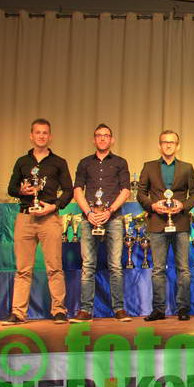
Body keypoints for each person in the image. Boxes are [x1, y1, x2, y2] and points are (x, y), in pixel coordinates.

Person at [2, 118, 73, 325]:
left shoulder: (59, 162)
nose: (41, 136)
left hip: (49, 218)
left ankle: (59, 310)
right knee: (23, 269)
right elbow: (11, 188)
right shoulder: (22, 162)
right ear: (31, 136)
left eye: (45, 133)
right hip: (26, 217)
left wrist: (55, 206)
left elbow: (68, 190)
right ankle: (18, 313)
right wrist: (21, 191)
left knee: (55, 267)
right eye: (38, 132)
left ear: (50, 137)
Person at [71, 123, 132, 323]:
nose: (103, 138)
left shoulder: (120, 162)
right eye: (99, 135)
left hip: (113, 219)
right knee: (88, 265)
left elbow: (126, 190)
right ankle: (85, 310)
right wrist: (89, 213)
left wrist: (109, 211)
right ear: (93, 139)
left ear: (112, 140)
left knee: (115, 265)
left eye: (106, 135)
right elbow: (77, 190)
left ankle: (119, 309)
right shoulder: (84, 163)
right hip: (89, 219)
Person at [137, 130, 194, 321]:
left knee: (183, 269)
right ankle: (158, 309)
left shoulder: (187, 167)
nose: (168, 145)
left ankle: (183, 308)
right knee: (158, 269)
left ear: (177, 146)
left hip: (180, 223)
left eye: (172, 142)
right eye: (165, 142)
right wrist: (152, 206)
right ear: (159, 145)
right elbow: (141, 193)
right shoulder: (148, 166)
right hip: (157, 223)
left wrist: (183, 205)